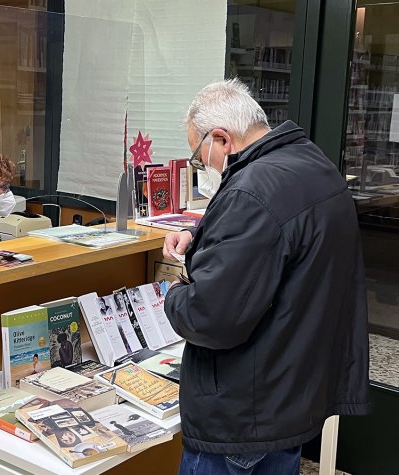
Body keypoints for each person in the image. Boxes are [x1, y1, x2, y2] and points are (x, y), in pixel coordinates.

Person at [162, 79, 371, 475]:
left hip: (242, 413)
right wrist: (200, 233)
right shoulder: (310, 162)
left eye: (199, 156)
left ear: (222, 139)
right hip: (290, 394)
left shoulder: (251, 191)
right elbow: (281, 232)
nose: (202, 167)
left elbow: (210, 316)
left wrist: (173, 292)